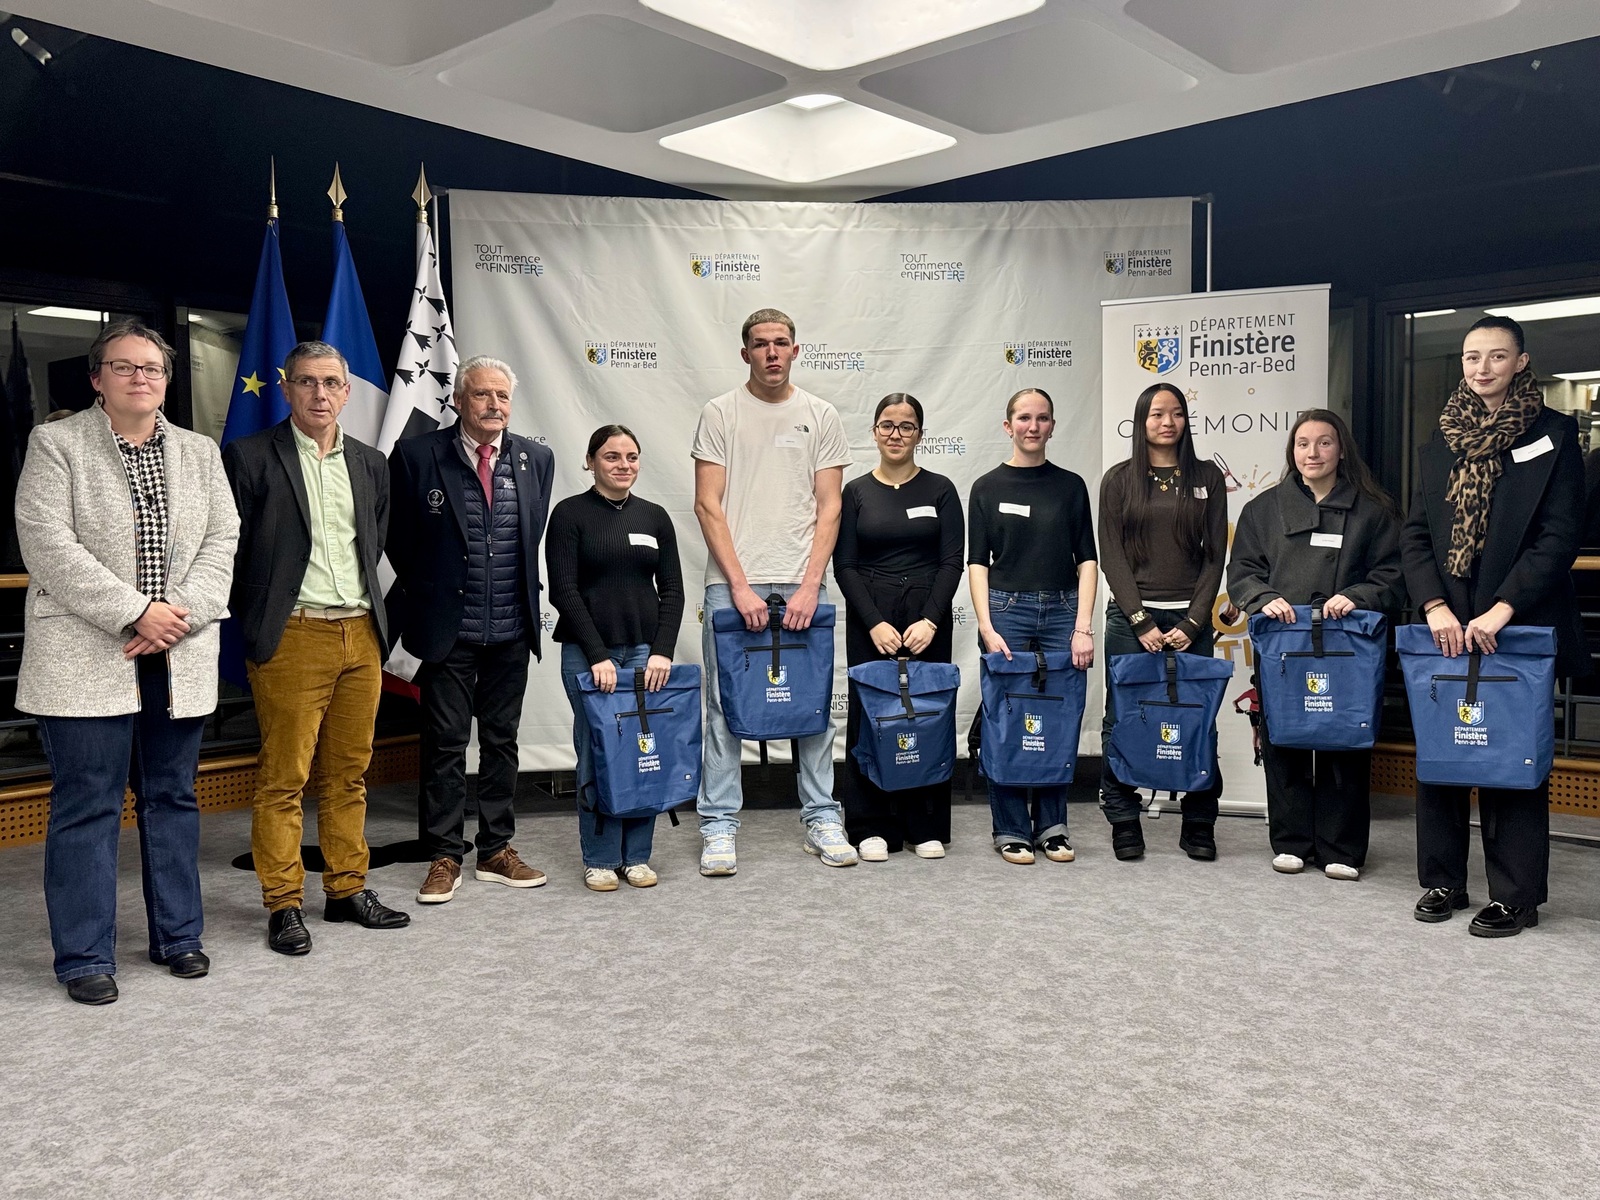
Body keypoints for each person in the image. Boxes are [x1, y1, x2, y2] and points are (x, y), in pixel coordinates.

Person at [14, 321, 239, 1005]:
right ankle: (84, 955)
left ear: (167, 380)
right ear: (97, 378)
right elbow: (47, 544)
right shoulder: (57, 444)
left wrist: (176, 615)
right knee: (89, 804)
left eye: (153, 368)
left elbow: (223, 539)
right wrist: (136, 611)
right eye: (124, 366)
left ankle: (179, 935)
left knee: (172, 797)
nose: (141, 378)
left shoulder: (199, 452)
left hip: (177, 652)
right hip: (87, 652)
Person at [1401, 314, 1585, 937]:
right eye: (1472, 356)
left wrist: (1503, 607)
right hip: (1447, 623)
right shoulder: (1440, 438)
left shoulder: (1554, 434)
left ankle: (1515, 896)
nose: (1482, 368)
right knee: (1443, 749)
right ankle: (1443, 880)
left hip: (1519, 620)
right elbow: (1416, 536)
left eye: (1497, 356)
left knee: (1510, 755)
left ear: (1521, 362)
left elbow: (1559, 537)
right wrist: (1434, 606)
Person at [224, 340, 409, 955]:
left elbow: (374, 543)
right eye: (306, 381)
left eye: (331, 383)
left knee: (348, 775)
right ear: (286, 388)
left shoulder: (370, 462)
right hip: (293, 634)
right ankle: (283, 903)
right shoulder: (250, 456)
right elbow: (231, 550)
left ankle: (346, 889)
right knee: (285, 778)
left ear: (347, 392)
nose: (319, 394)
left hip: (360, 632)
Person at [691, 308, 857, 875]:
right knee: (724, 706)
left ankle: (822, 817)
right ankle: (718, 824)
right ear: (745, 353)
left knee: (813, 704)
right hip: (731, 584)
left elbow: (830, 507)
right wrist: (739, 587)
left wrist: (811, 584)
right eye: (760, 344)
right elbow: (707, 504)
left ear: (795, 350)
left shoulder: (821, 414)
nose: (771, 353)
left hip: (803, 581)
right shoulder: (720, 412)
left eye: (781, 343)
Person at [388, 356, 556, 903]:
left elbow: (530, 536)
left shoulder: (536, 458)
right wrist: (434, 591)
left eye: (502, 396)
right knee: (446, 745)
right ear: (459, 400)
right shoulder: (417, 455)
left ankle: (496, 850)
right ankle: (444, 854)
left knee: (502, 742)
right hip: (448, 632)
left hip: (511, 629)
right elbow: (398, 539)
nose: (493, 405)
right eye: (482, 395)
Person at [1228, 409, 1403, 880]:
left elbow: (1393, 574)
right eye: (1303, 443)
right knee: (1283, 738)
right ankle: (1290, 841)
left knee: (1342, 739)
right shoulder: (1262, 509)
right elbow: (1242, 571)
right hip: (1285, 643)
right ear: (1292, 451)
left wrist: (1358, 596)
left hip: (1347, 644)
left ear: (1341, 450)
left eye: (1324, 443)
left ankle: (1341, 847)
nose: (1313, 453)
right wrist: (1263, 598)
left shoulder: (1374, 511)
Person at [548, 425, 685, 890]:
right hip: (589, 656)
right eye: (611, 456)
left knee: (644, 750)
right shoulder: (569, 514)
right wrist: (597, 654)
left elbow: (672, 590)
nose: (623, 465)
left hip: (645, 653)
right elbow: (564, 591)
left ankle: (638, 856)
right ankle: (601, 857)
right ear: (590, 461)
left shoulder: (655, 516)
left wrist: (662, 651)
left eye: (631, 457)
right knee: (598, 752)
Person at [1097, 382, 1229, 861]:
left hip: (1190, 619)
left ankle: (1198, 824)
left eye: (1175, 413)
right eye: (1156, 414)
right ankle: (1123, 820)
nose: (1167, 422)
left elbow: (1215, 555)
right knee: (1122, 718)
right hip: (1132, 619)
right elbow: (1111, 554)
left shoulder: (1208, 477)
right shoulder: (1119, 479)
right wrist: (1140, 620)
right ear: (1141, 421)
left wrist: (1194, 623)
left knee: (1197, 718)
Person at [968, 387, 1097, 864]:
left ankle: (1052, 827)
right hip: (1006, 609)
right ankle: (1010, 827)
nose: (1033, 426)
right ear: (1008, 426)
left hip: (1063, 612)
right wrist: (986, 625)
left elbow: (1088, 560)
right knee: (1006, 719)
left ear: (1053, 426)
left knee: (1056, 717)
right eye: (1024, 417)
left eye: (1042, 418)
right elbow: (976, 562)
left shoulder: (1071, 486)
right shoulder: (987, 487)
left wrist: (1082, 626)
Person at [833, 394, 964, 861]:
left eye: (907, 426)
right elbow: (844, 565)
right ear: (874, 432)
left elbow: (952, 561)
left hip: (928, 616)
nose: (896, 434)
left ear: (920, 435)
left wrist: (931, 620)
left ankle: (923, 824)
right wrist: (874, 623)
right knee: (871, 716)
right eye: (887, 425)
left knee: (925, 716)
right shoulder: (856, 492)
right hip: (872, 617)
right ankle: (870, 824)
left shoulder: (941, 489)